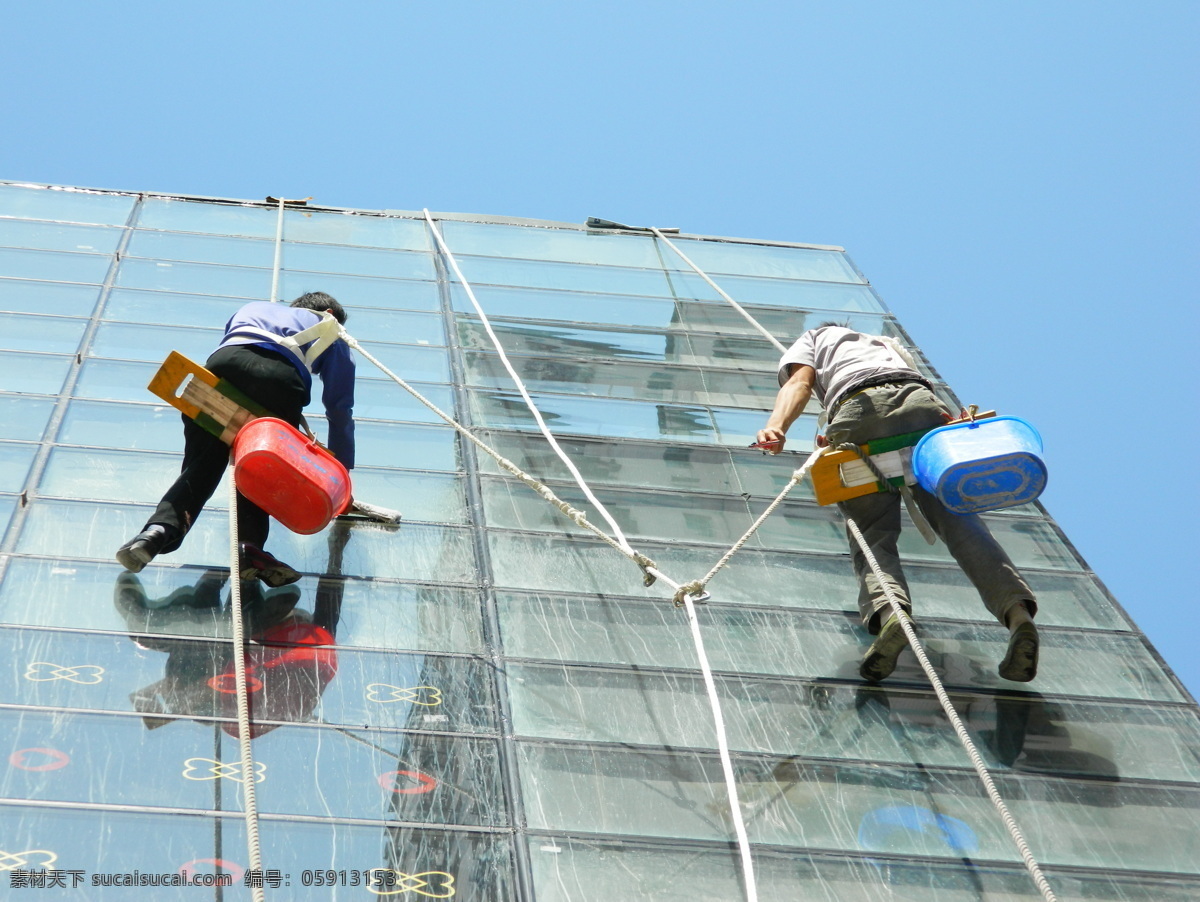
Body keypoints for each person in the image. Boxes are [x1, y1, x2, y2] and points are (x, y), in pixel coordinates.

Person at [756, 324, 1039, 683]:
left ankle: (893, 616)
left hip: (860, 408)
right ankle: (1018, 616)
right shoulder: (886, 344)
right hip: (920, 404)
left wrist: (776, 426)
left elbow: (799, 384)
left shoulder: (814, 337)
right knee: (961, 523)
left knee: (872, 534)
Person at [115, 292, 355, 586]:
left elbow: (239, 346)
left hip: (221, 368)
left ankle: (157, 531)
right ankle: (250, 548)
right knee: (262, 466)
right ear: (329, 312)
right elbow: (339, 407)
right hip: (279, 380)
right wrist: (341, 471)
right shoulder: (331, 329)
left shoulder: (254, 307)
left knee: (202, 462)